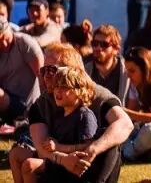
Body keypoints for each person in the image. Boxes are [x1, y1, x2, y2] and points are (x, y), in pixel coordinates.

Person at [10, 43, 134, 183]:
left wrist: (93, 149)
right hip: (59, 159)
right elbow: (41, 148)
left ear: (73, 72)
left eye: (52, 70)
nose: (46, 76)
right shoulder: (41, 104)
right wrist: (63, 159)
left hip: (89, 163)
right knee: (17, 154)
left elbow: (125, 124)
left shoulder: (97, 96)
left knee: (110, 141)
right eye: (44, 70)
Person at [19, 67, 97, 183]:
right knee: (17, 153)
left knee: (29, 165)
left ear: (80, 90)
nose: (57, 91)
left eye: (64, 87)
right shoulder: (60, 114)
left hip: (73, 168)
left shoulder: (84, 115)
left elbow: (89, 147)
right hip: (59, 162)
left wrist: (59, 147)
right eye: (56, 86)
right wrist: (51, 142)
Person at [0, 17, 43, 125]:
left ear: (9, 29)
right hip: (7, 102)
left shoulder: (25, 43)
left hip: (28, 105)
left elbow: (42, 77)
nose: (4, 43)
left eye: (5, 37)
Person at [85, 25, 129, 104]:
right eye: (95, 43)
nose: (98, 48)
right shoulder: (85, 69)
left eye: (104, 44)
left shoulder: (127, 72)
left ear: (116, 49)